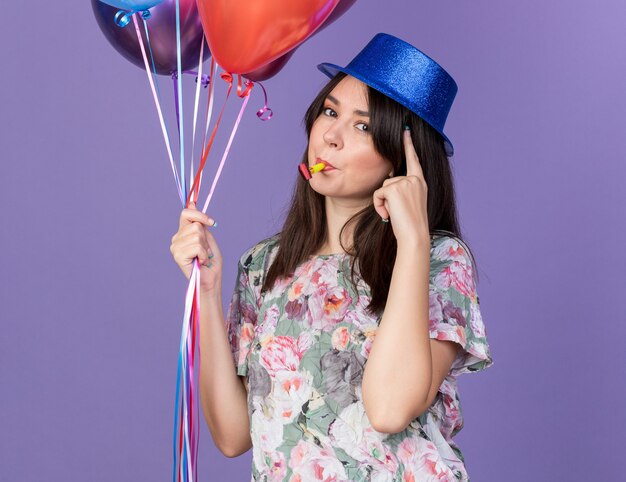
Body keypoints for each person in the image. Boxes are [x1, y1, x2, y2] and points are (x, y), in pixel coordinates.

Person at [170, 33, 494, 482]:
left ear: (404, 158)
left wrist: (413, 239)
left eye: (362, 125)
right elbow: (232, 435)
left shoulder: (439, 260)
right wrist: (207, 290)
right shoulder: (263, 265)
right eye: (329, 111)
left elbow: (389, 408)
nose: (331, 137)